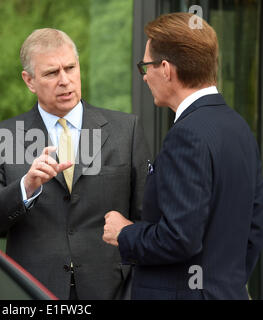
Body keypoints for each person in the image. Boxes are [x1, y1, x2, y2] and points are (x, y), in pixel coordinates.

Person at [0, 28, 150, 299]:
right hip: (33, 292)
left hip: (112, 289)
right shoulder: (1, 137)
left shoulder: (126, 130)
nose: (65, 80)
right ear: (29, 81)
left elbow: (146, 218)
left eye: (70, 68)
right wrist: (25, 188)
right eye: (52, 73)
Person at [102, 12, 263, 300]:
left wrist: (125, 233)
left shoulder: (187, 135)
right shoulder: (239, 128)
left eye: (145, 67)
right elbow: (253, 229)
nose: (145, 76)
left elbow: (179, 238)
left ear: (165, 69)